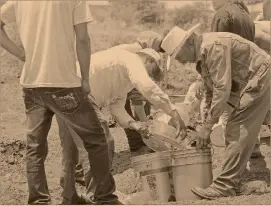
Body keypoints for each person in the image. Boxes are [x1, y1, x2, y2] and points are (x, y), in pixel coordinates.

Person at [1, 1, 121, 205]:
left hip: (31, 84)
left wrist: (21, 54)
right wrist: (85, 79)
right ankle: (105, 198)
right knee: (97, 140)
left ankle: (39, 201)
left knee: (35, 148)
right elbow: (82, 39)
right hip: (63, 84)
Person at [58, 48, 186, 203]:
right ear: (147, 61)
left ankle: (69, 197)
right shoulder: (131, 59)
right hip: (77, 90)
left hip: (62, 90)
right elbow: (147, 87)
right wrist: (173, 112)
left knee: (70, 151)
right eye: (150, 73)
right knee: (102, 143)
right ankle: (99, 196)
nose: (149, 77)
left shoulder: (125, 79)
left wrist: (135, 124)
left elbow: (117, 108)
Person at [161, 25, 270, 199]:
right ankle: (231, 180)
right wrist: (205, 126)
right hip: (253, 77)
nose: (181, 62)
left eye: (179, 56)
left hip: (260, 75)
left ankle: (224, 186)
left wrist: (207, 127)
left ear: (188, 43)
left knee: (237, 126)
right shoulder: (203, 56)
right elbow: (210, 91)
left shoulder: (213, 47)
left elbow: (222, 88)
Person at [111, 31, 166, 156]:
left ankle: (140, 141)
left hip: (114, 81)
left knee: (129, 108)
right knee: (125, 111)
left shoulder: (132, 48)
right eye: (157, 49)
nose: (156, 53)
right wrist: (147, 127)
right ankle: (137, 144)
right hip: (110, 83)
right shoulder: (136, 54)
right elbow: (136, 99)